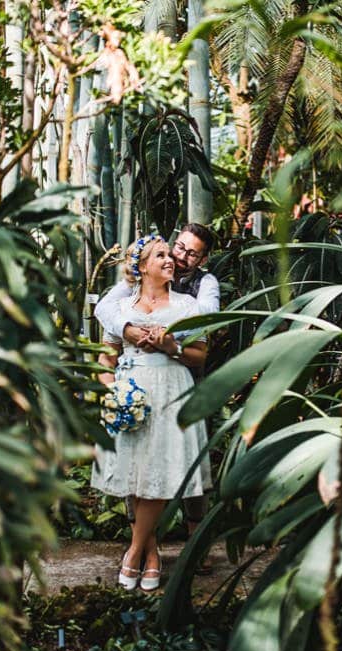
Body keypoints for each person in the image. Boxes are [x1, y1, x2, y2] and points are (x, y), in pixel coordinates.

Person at [94, 223, 219, 572]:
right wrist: (111, 390)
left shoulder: (199, 293)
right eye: (172, 249)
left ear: (202, 258)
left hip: (176, 386)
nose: (178, 257)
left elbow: (204, 332)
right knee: (137, 469)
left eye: (189, 252)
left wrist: (171, 344)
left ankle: (171, 553)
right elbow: (106, 332)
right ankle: (149, 555)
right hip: (132, 386)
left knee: (176, 470)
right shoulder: (125, 297)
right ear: (143, 265)